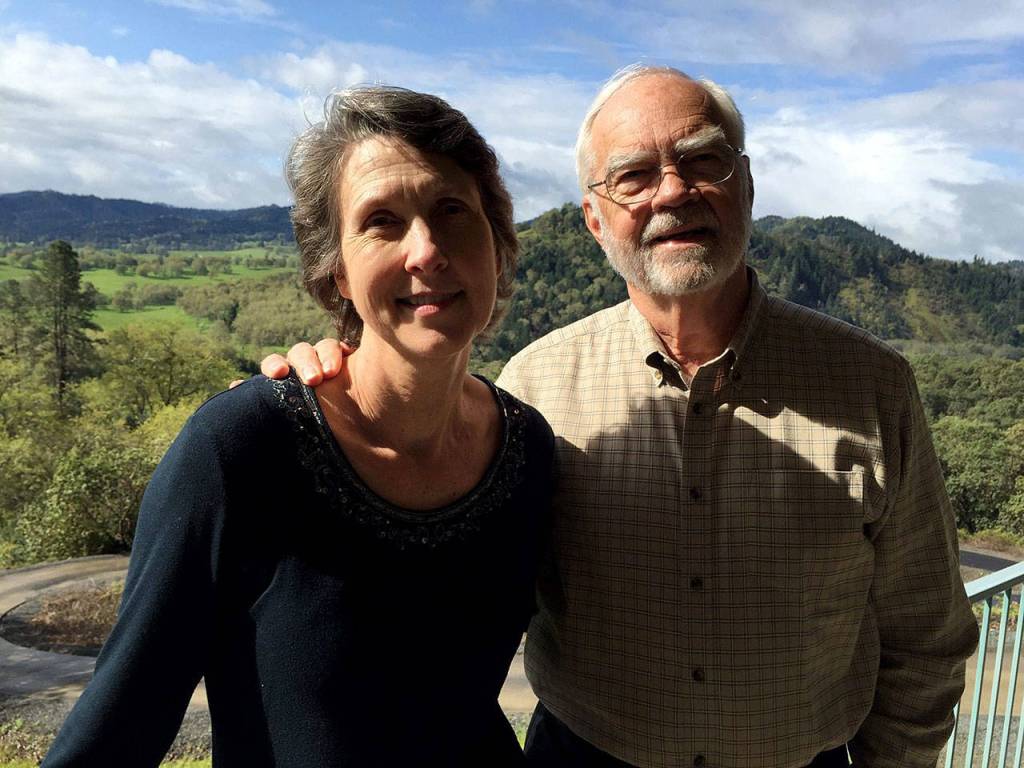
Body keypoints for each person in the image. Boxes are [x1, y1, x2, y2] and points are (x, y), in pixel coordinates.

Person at [265, 65, 978, 768]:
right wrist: (333, 385)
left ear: (748, 186)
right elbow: (432, 594)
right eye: (634, 175)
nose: (674, 191)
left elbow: (927, 637)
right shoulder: (535, 388)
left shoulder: (873, 385)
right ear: (595, 219)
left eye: (704, 160)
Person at [41, 86, 554, 768]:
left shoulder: (528, 453)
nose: (426, 249)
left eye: (451, 210)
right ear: (336, 271)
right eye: (382, 221)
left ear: (496, 242)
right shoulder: (244, 448)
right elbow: (117, 728)